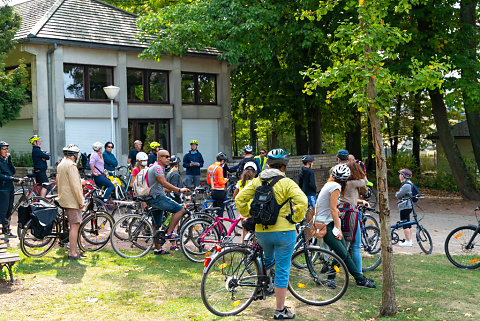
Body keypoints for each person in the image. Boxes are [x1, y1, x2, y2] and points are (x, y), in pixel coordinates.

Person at [236, 149, 307, 320]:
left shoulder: (256, 181)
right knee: (282, 269)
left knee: (267, 258)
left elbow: (239, 199)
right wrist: (295, 218)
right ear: (285, 166)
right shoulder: (287, 183)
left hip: (262, 231)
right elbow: (303, 201)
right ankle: (280, 310)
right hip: (284, 231)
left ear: (267, 164)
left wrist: (249, 215)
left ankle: (264, 285)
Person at [315, 163, 376, 289]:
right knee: (342, 253)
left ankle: (357, 279)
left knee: (343, 253)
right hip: (326, 225)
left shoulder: (330, 184)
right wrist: (338, 228)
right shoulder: (335, 187)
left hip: (328, 222)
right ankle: (357, 279)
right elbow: (333, 209)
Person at [147, 149, 190, 254]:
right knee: (180, 210)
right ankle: (169, 233)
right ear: (159, 158)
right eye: (166, 156)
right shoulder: (158, 168)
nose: (168, 158)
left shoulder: (156, 167)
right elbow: (163, 183)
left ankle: (158, 249)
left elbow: (162, 187)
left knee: (157, 225)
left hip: (153, 197)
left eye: (169, 156)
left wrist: (173, 189)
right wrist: (179, 190)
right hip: (157, 198)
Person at [338, 161, 369, 274]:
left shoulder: (343, 182)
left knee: (345, 244)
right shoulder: (352, 182)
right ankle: (359, 273)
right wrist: (362, 171)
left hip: (342, 211)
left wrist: (360, 201)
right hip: (351, 213)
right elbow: (365, 181)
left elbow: (350, 198)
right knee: (355, 245)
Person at [57, 144, 85, 259]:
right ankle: (73, 253)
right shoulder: (72, 166)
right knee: (75, 225)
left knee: (72, 225)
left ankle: (75, 250)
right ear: (74, 155)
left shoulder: (61, 164)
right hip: (72, 200)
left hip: (64, 197)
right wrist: (80, 200)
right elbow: (75, 186)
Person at [0, 141, 22, 241]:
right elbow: (1, 176)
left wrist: (10, 160)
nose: (6, 151)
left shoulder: (6, 160)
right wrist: (13, 179)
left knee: (9, 210)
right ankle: (2, 234)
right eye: (4, 148)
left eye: (6, 149)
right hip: (2, 189)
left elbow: (13, 171)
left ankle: (7, 231)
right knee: (3, 212)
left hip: (10, 188)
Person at [395, 168, 415, 247]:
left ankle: (408, 241)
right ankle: (410, 240)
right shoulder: (409, 184)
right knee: (408, 223)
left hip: (405, 206)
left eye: (401, 175)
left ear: (404, 176)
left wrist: (397, 193)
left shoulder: (406, 185)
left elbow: (398, 194)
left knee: (404, 223)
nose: (400, 177)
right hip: (408, 206)